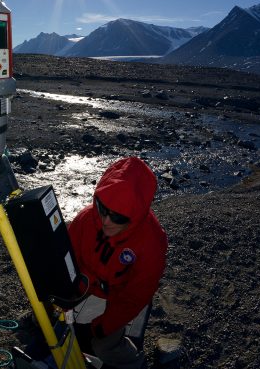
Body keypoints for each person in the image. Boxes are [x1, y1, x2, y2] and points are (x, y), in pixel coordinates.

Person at [67, 157, 167, 369]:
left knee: (104, 345)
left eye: (118, 218)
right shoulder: (85, 219)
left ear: (135, 216)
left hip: (120, 293)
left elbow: (134, 296)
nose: (106, 221)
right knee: (47, 316)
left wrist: (101, 328)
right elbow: (65, 260)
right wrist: (61, 295)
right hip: (85, 282)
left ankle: (136, 364)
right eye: (102, 208)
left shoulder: (151, 243)